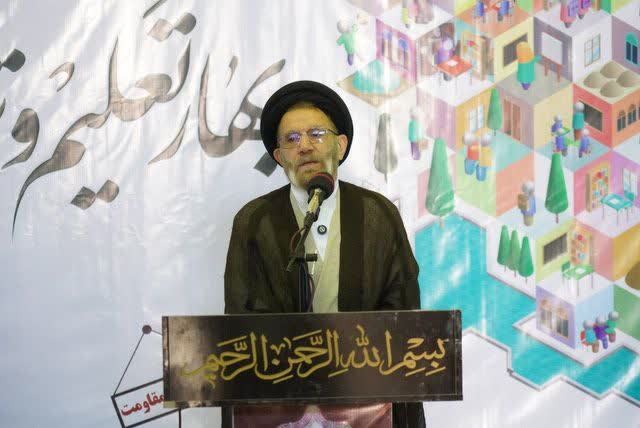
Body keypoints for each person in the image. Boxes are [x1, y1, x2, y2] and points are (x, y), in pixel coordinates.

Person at [224, 80, 425, 427]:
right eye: (291, 139)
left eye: (316, 134)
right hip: (280, 406)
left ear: (340, 145)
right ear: (279, 157)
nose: (304, 146)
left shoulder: (377, 214)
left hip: (369, 405)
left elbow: (403, 312)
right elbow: (240, 322)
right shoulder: (253, 221)